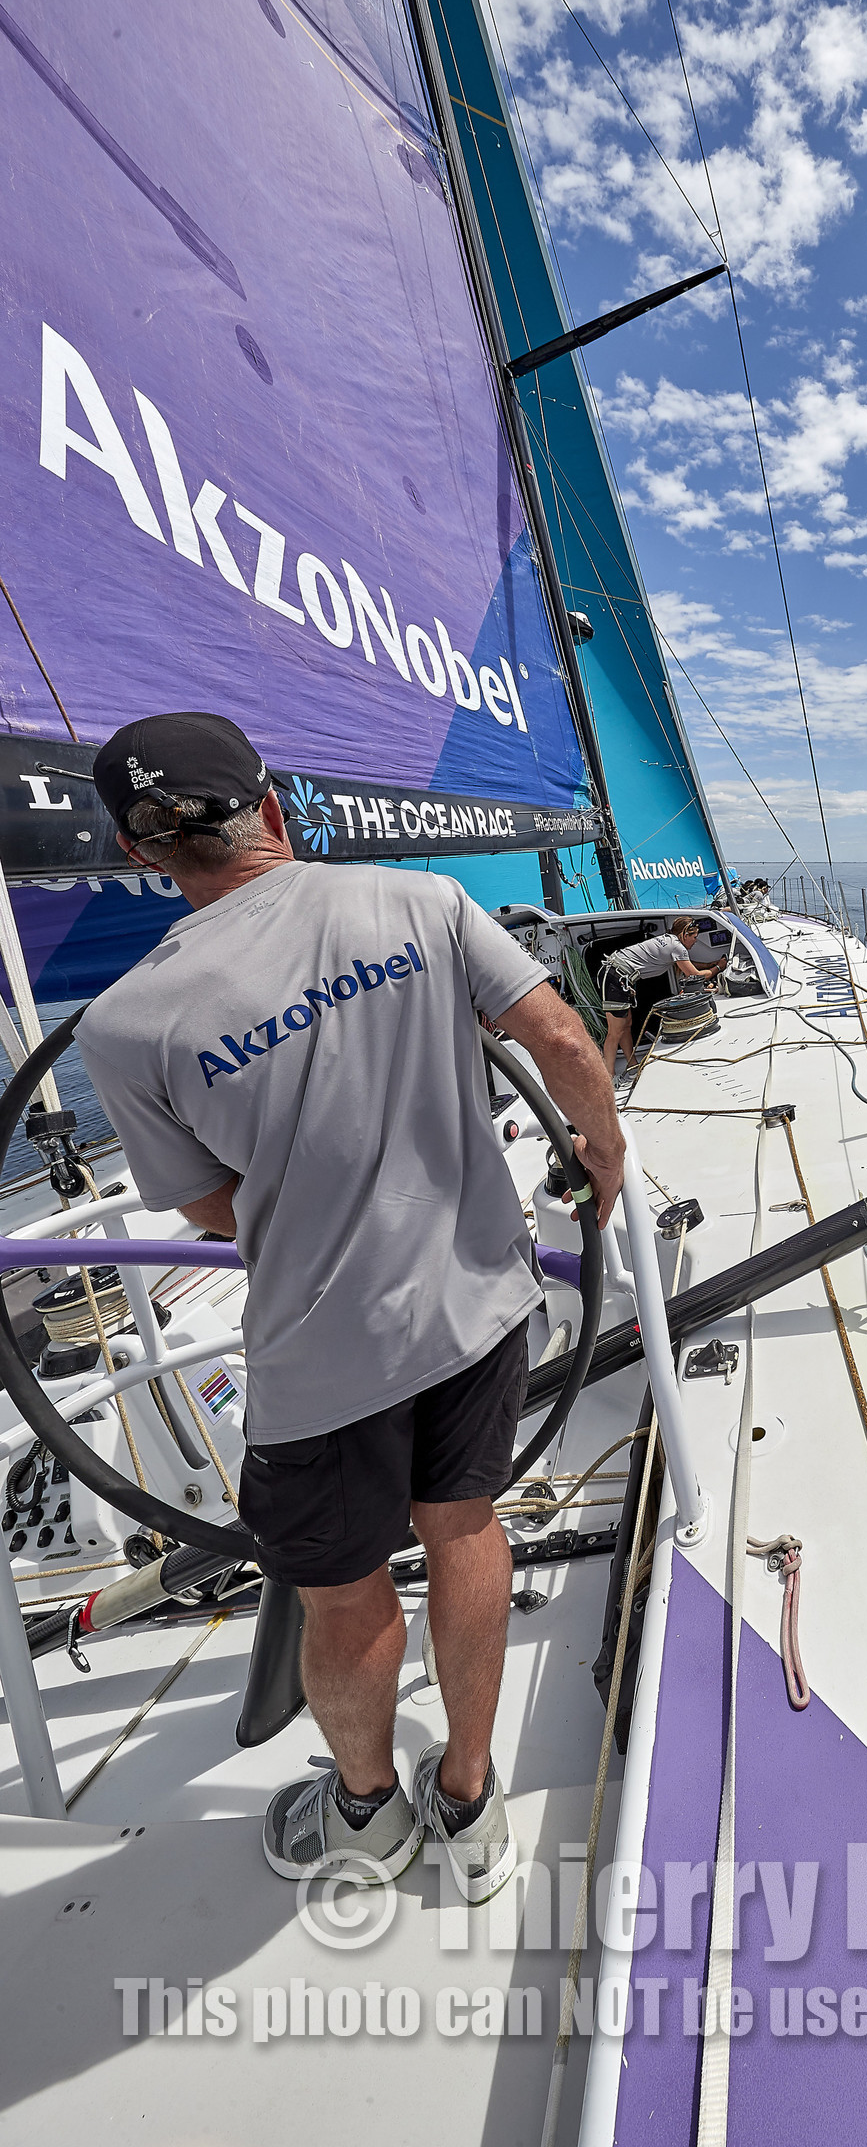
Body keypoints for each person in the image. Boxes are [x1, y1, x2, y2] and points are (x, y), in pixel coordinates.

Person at [76, 712, 625, 1905]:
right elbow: (561, 1036)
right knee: (465, 1525)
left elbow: (216, 1213)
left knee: (343, 1590)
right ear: (269, 806)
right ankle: (469, 1801)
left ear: (138, 854)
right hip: (481, 1308)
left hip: (322, 1363)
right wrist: (603, 1152)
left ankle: (366, 1814)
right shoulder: (418, 905)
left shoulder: (123, 1025)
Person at [599, 915, 725, 1072]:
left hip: (618, 976)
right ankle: (609, 1076)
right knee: (615, 1031)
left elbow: (684, 963)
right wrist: (719, 967)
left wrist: (708, 964)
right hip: (616, 977)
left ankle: (632, 1064)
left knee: (626, 1025)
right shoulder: (677, 947)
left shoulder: (669, 940)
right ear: (685, 935)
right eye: (694, 937)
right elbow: (695, 975)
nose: (695, 941)